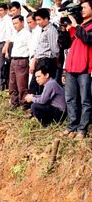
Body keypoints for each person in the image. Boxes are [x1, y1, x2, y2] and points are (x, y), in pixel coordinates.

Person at [61, 0, 92, 140]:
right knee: (70, 98)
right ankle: (72, 126)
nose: (82, 10)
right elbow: (65, 44)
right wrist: (63, 29)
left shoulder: (89, 26)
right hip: (71, 67)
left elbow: (86, 38)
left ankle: (82, 129)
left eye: (84, 7)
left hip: (85, 68)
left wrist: (76, 25)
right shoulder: (80, 25)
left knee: (85, 100)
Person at [30, 8, 59, 94]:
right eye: (36, 20)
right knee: (35, 85)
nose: (38, 22)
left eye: (39, 20)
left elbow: (54, 49)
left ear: (46, 19)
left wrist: (55, 61)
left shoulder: (51, 30)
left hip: (46, 61)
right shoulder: (43, 30)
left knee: (42, 86)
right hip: (40, 60)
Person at [9, 15, 32, 110]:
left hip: (22, 60)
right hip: (14, 60)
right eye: (13, 23)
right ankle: (14, 102)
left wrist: (31, 63)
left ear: (22, 22)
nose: (15, 25)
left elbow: (31, 49)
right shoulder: (15, 34)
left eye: (16, 23)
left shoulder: (27, 34)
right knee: (12, 83)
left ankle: (24, 104)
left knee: (22, 84)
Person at [0, 3, 13, 91]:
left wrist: (6, 45)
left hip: (3, 44)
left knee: (2, 66)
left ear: (6, 10)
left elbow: (9, 34)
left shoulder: (8, 20)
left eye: (1, 10)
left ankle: (3, 84)